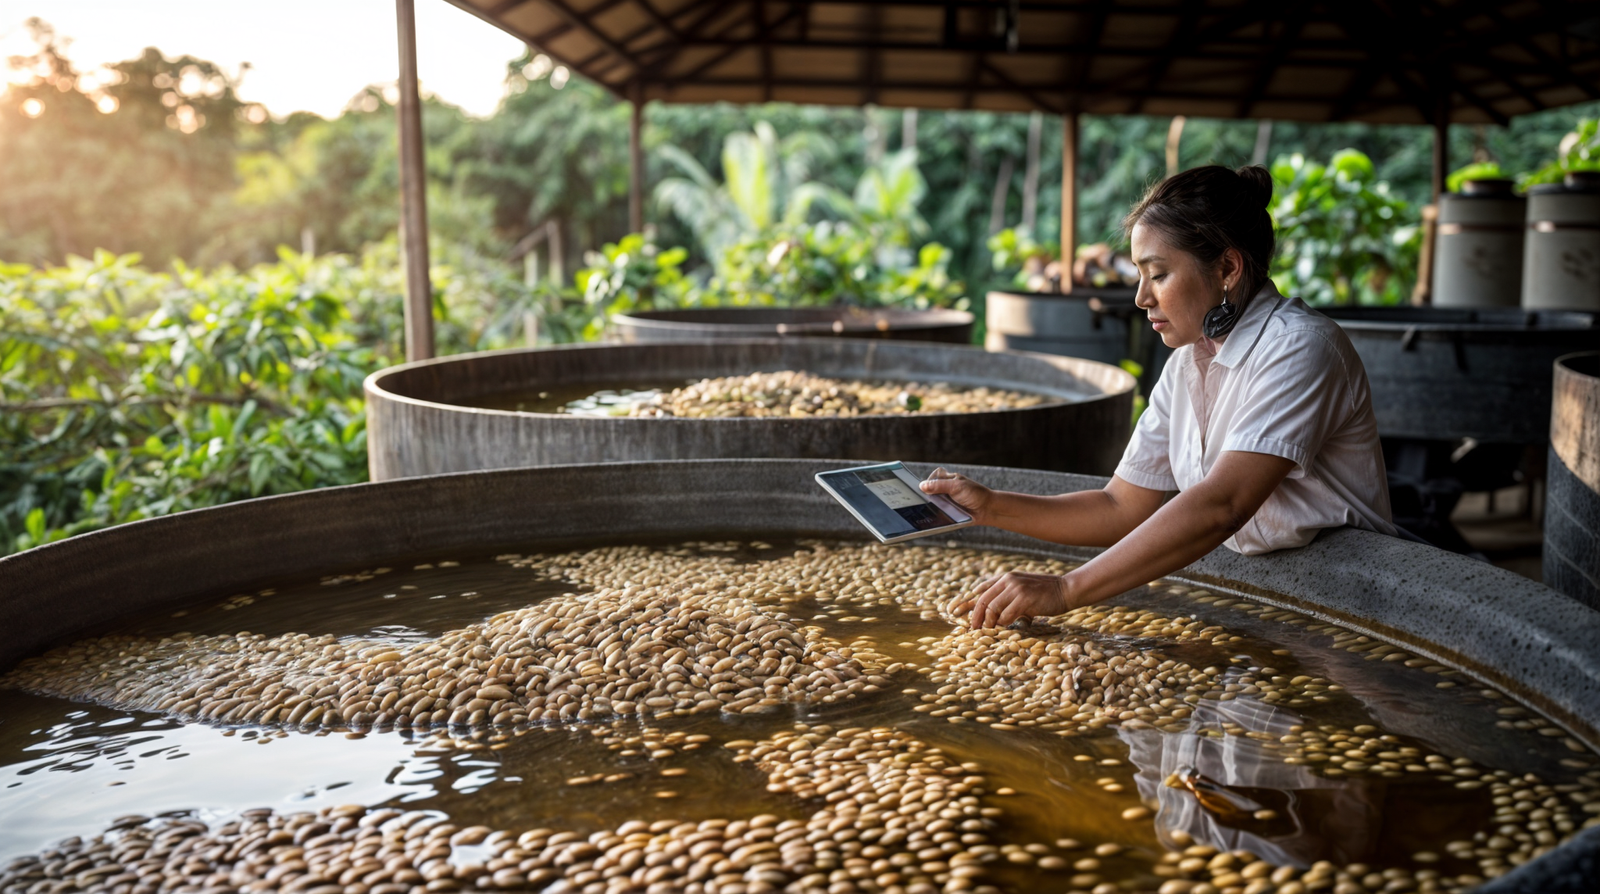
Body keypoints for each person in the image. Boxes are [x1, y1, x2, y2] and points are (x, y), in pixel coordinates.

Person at [922, 164, 1397, 629]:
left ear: (1228, 267)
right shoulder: (1185, 365)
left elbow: (1223, 505)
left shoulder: (1300, 348)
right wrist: (990, 507)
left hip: (1352, 609)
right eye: (1139, 275)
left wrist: (1066, 590)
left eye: (1159, 274)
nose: (1140, 298)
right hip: (1274, 604)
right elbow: (1119, 507)